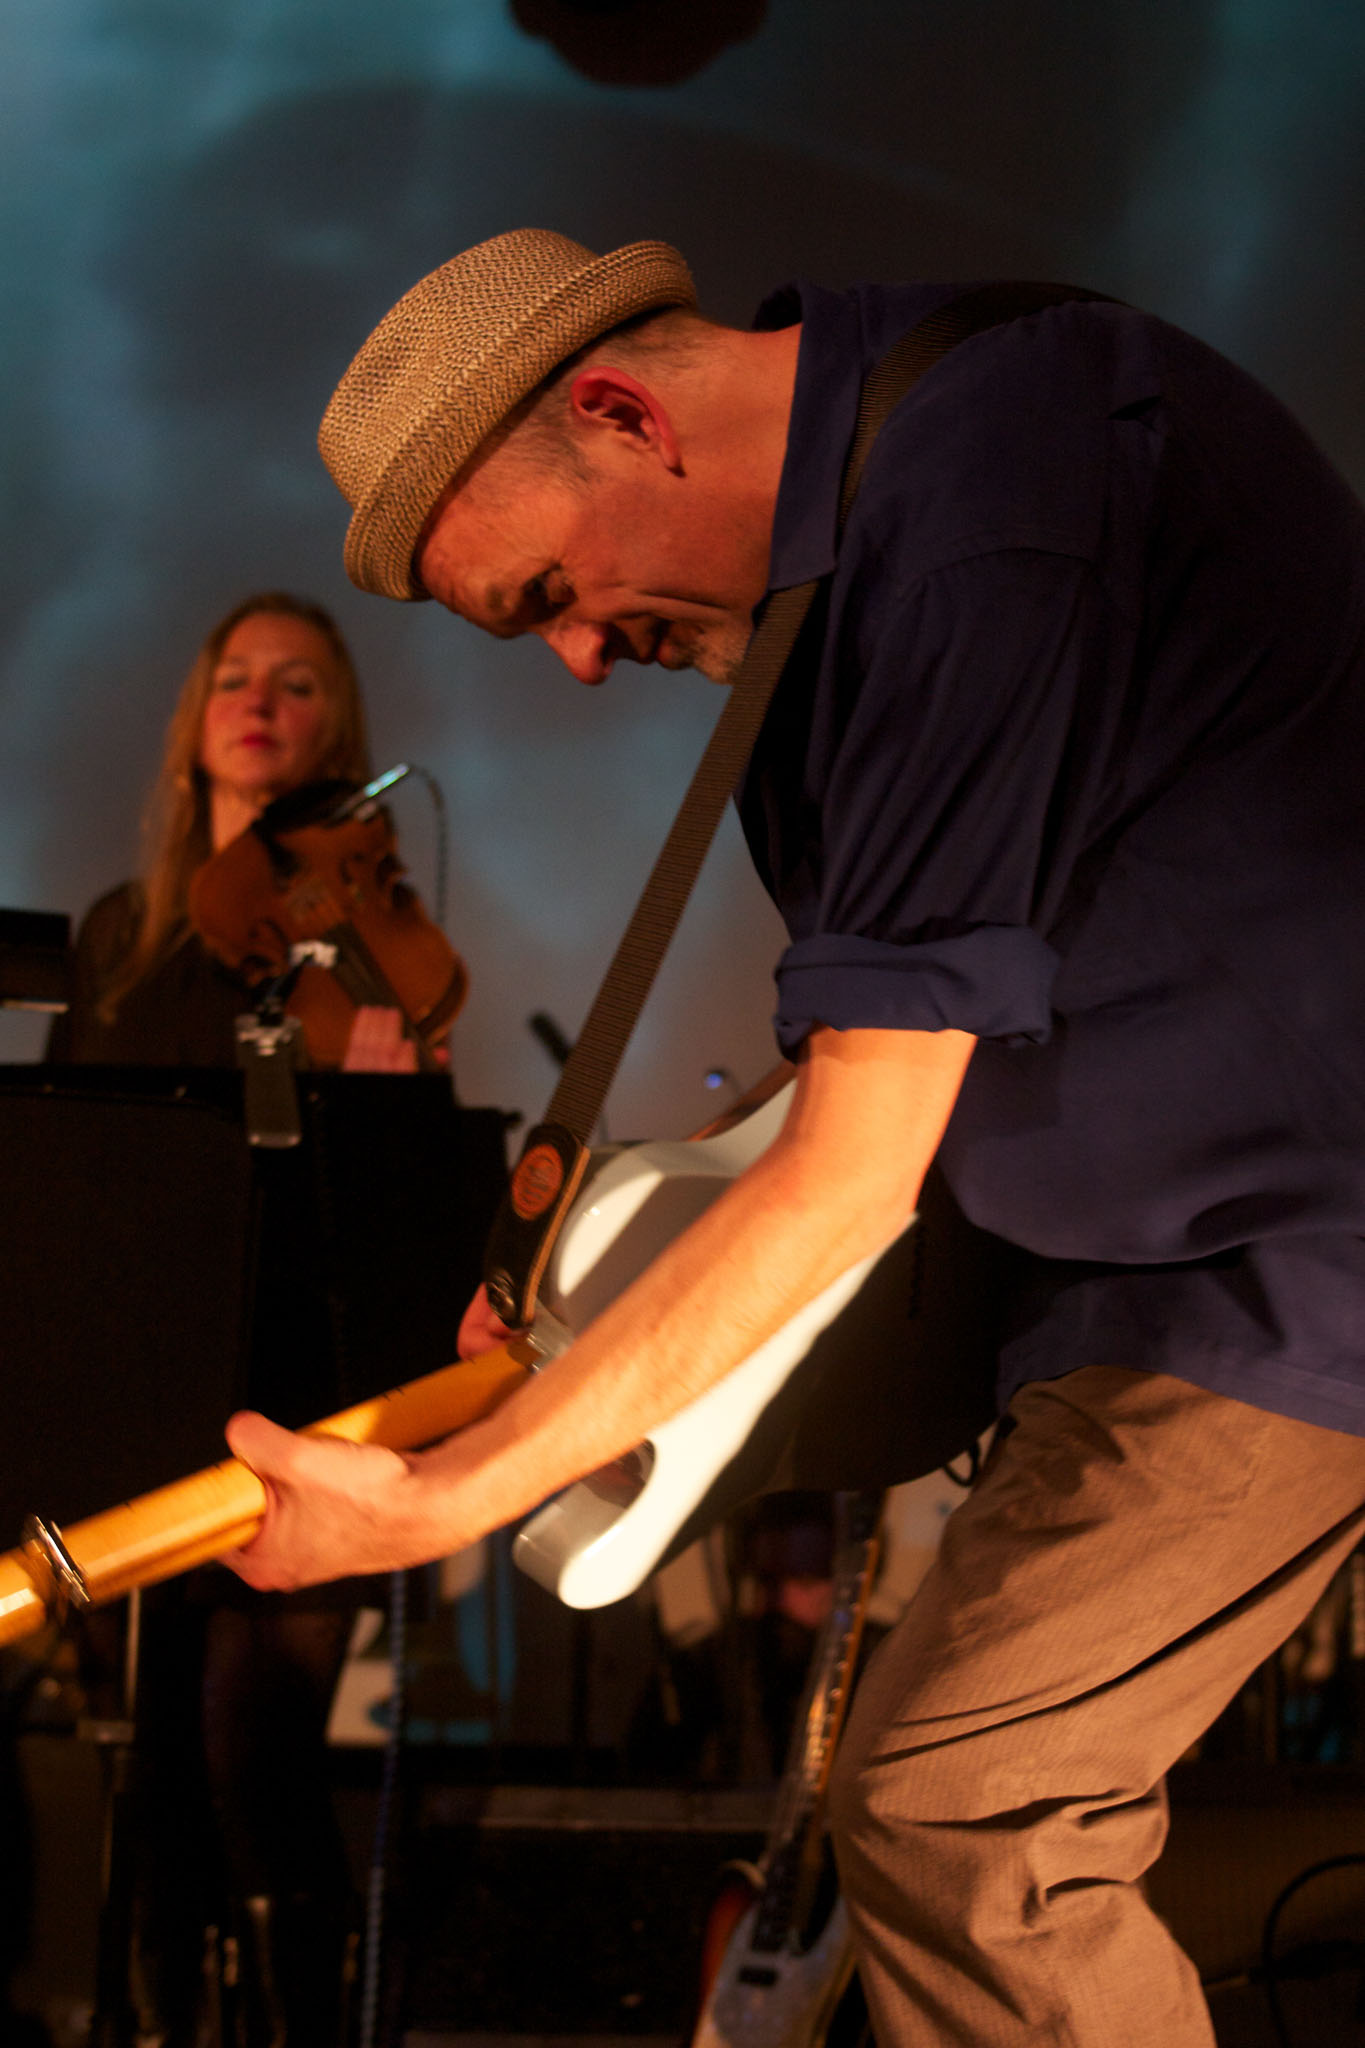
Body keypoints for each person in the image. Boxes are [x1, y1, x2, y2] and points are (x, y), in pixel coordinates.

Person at [223, 231, 1365, 2046]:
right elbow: (866, 1060)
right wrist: (601, 1287)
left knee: (968, 1809)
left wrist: (455, 1495)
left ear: (622, 413)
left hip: (1292, 1246)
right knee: (932, 1802)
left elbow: (851, 1168)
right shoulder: (847, 562)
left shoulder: (986, 498)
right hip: (1125, 1279)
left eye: (549, 596)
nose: (581, 661)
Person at [50, 590, 446, 2045]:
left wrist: (393, 1101)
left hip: (303, 1396)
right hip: (141, 1398)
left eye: (296, 681)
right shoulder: (120, 933)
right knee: (150, 1781)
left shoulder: (375, 942)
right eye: (235, 678)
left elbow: (406, 1213)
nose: (260, 701)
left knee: (255, 1760)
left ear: (336, 729)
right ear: (194, 724)